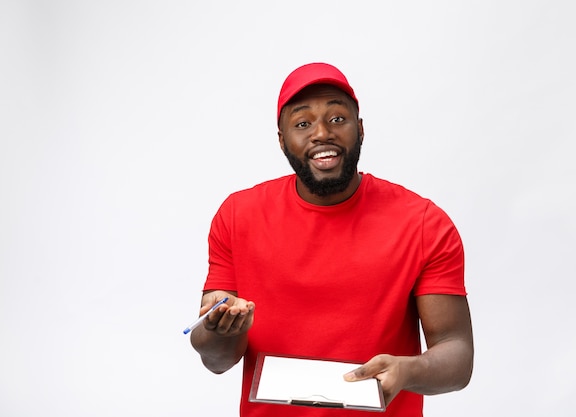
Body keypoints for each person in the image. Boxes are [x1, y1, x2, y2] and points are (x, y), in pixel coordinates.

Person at [190, 62, 474, 416]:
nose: (322, 133)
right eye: (303, 123)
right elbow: (216, 360)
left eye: (337, 118)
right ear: (282, 141)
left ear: (361, 129)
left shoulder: (423, 223)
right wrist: (221, 329)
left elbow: (456, 353)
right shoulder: (237, 216)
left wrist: (408, 370)